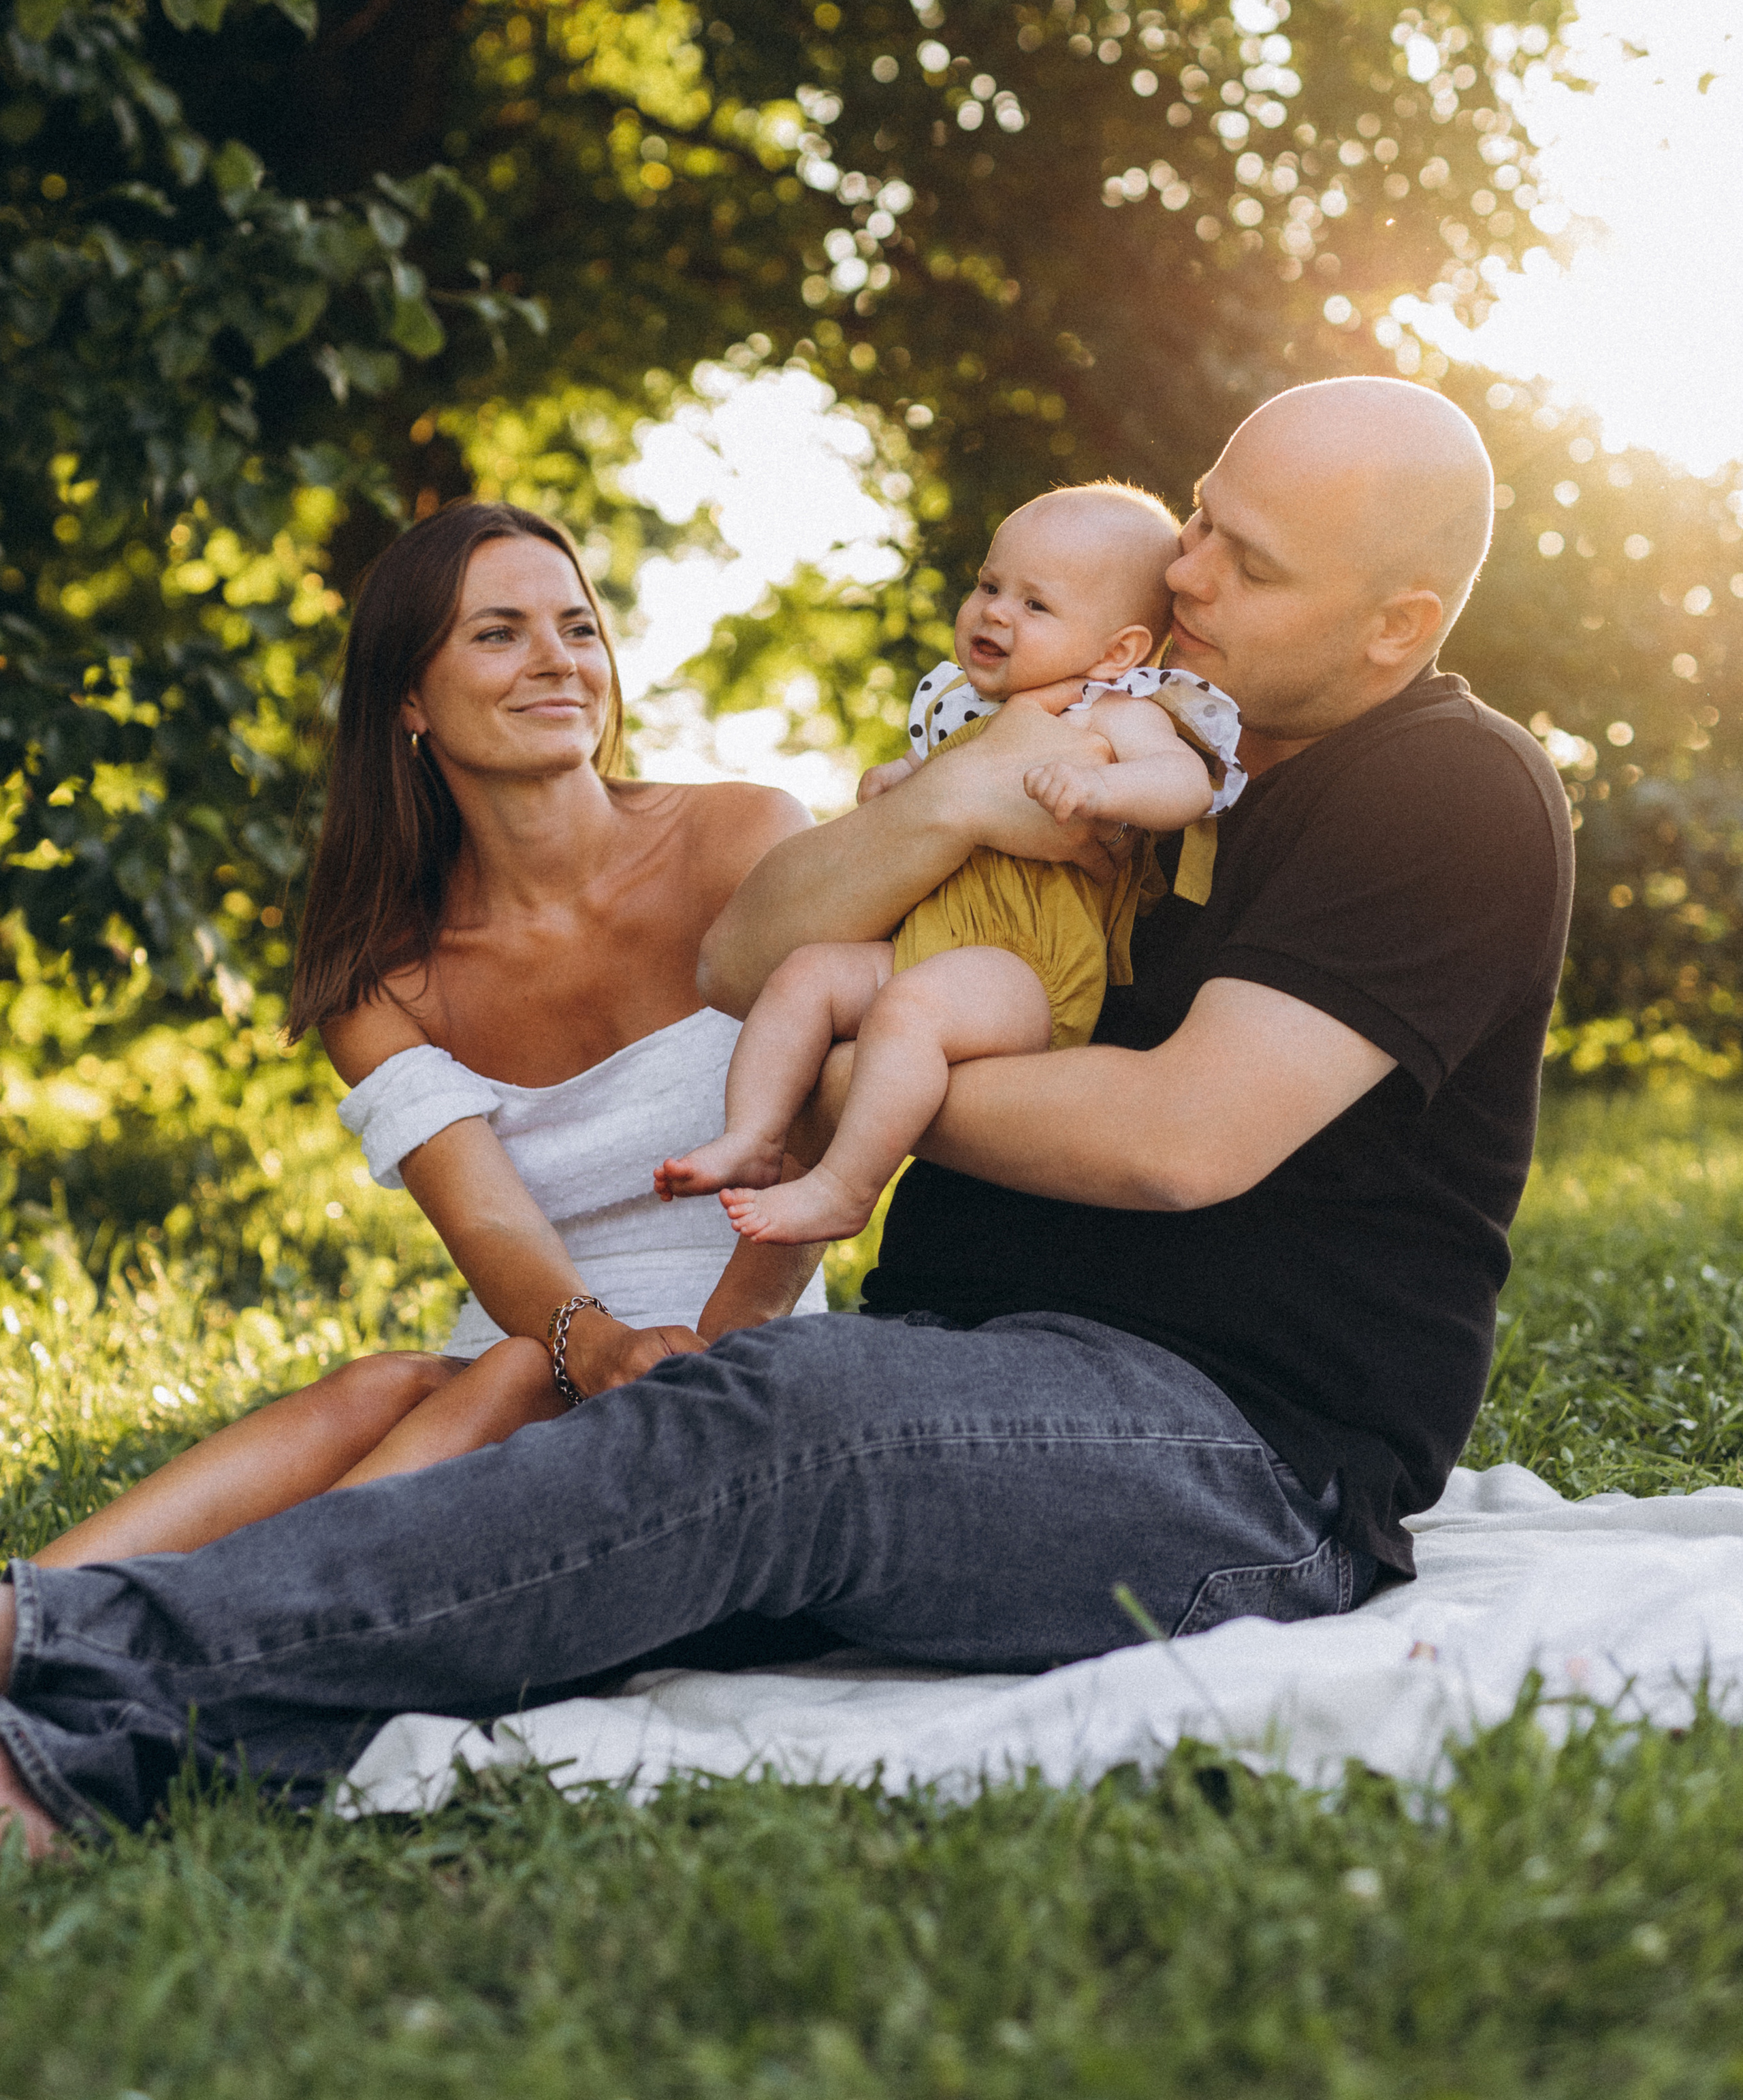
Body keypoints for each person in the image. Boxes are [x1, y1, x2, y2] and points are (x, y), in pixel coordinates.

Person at [0, 377, 1573, 1852]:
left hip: (1233, 1464)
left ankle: (69, 1662)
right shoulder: (1109, 728)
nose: (1185, 565)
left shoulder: (1442, 787)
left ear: (1394, 627)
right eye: (1198, 514)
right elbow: (747, 955)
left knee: (786, 1425)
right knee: (651, 1462)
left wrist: (851, 1090)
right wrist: (966, 791)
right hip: (955, 1368)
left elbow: (1176, 1138)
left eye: (1247, 556)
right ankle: (112, 1698)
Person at [27, 499, 825, 1570]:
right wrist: (594, 1346)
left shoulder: (747, 836)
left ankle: (175, 1637)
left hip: (747, 1344)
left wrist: (711, 1368)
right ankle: (40, 1610)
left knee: (487, 1376)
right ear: (409, 697)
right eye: (499, 634)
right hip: (536, 1341)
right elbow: (492, 1231)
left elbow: (824, 1137)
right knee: (405, 1380)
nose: (556, 661)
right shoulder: (382, 974)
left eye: (577, 628)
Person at [655, 483, 1242, 1248]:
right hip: (936, 941)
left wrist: (1103, 786)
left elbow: (1183, 784)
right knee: (805, 975)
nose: (995, 612)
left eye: (1036, 605)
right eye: (989, 586)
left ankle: (844, 1189)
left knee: (909, 1011)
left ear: (1116, 651)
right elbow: (933, 788)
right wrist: (900, 781)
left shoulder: (1118, 713)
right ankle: (754, 1136)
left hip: (1028, 969)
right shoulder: (960, 706)